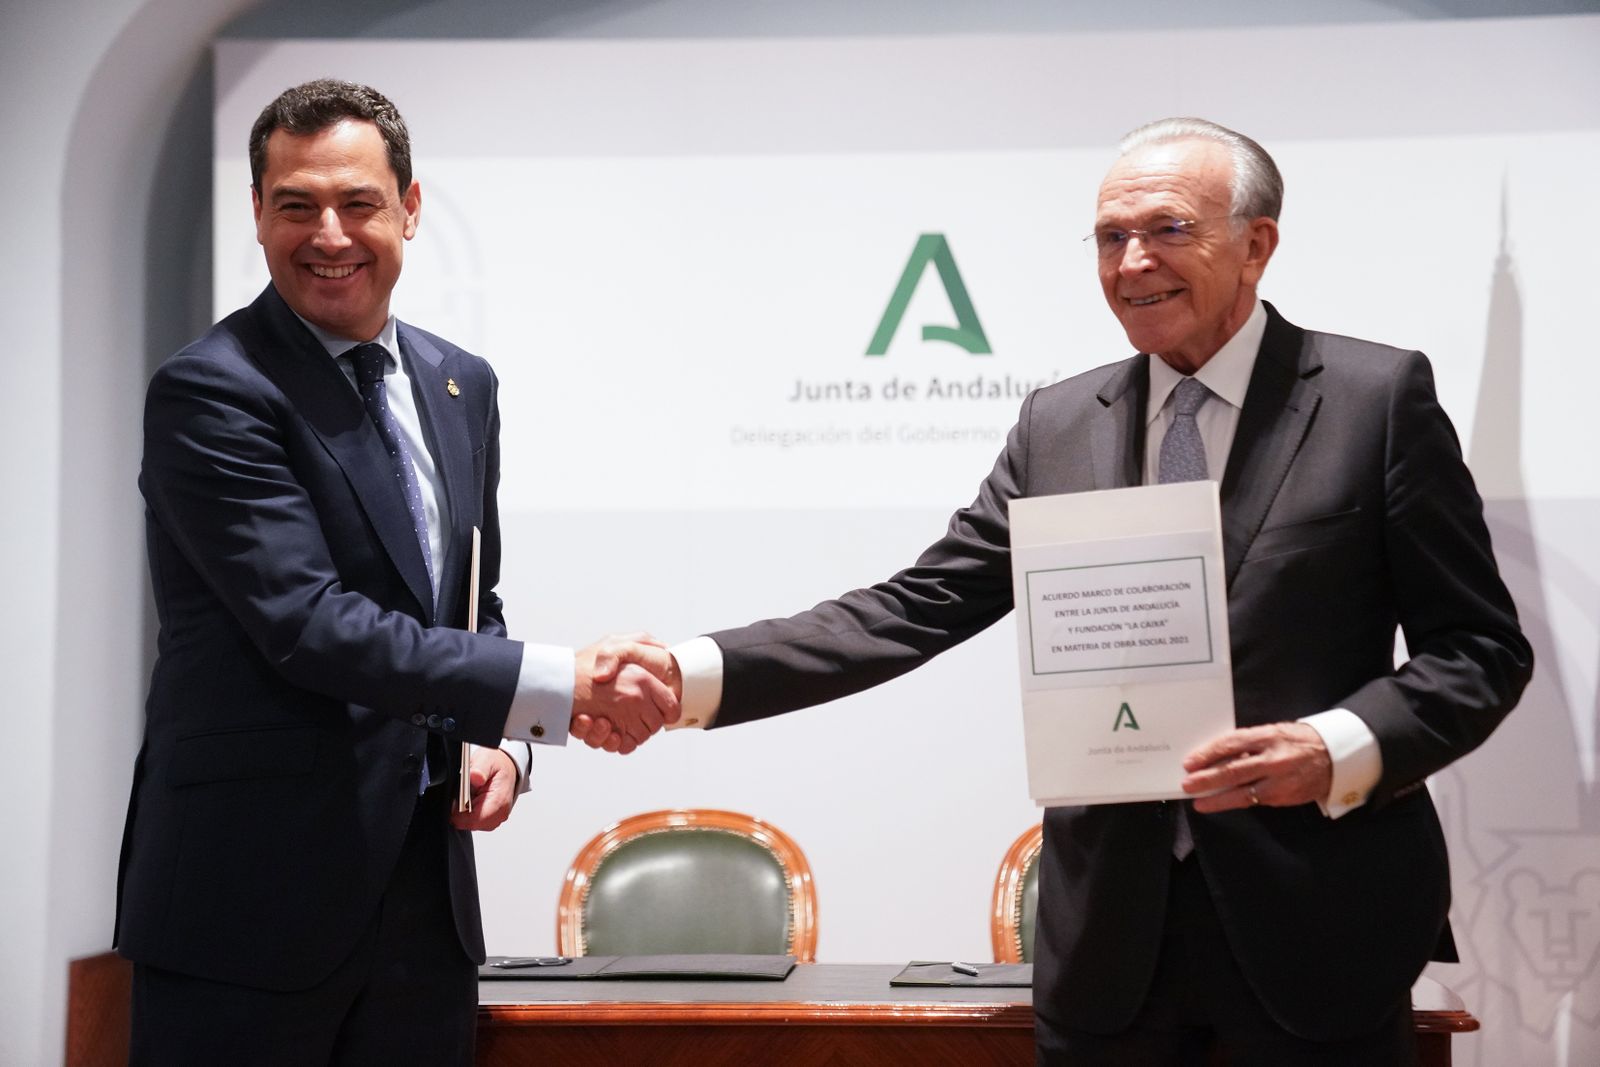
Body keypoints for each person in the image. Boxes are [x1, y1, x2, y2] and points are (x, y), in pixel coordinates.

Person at [578, 118, 1533, 1063]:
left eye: (1167, 229)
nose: (1132, 262)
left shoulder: (1374, 399)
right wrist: (690, 671)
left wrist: (1334, 747)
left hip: (1321, 934)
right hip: (1109, 956)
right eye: (1111, 236)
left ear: (1257, 245)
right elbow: (916, 605)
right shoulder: (1061, 422)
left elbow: (1479, 650)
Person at [115, 79, 676, 1065]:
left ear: (410, 209)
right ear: (258, 213)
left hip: (423, 912)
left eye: (358, 202)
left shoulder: (462, 383)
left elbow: (468, 600)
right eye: (296, 204)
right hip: (245, 908)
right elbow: (309, 623)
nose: (328, 234)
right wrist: (561, 682)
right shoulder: (210, 389)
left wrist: (499, 741)